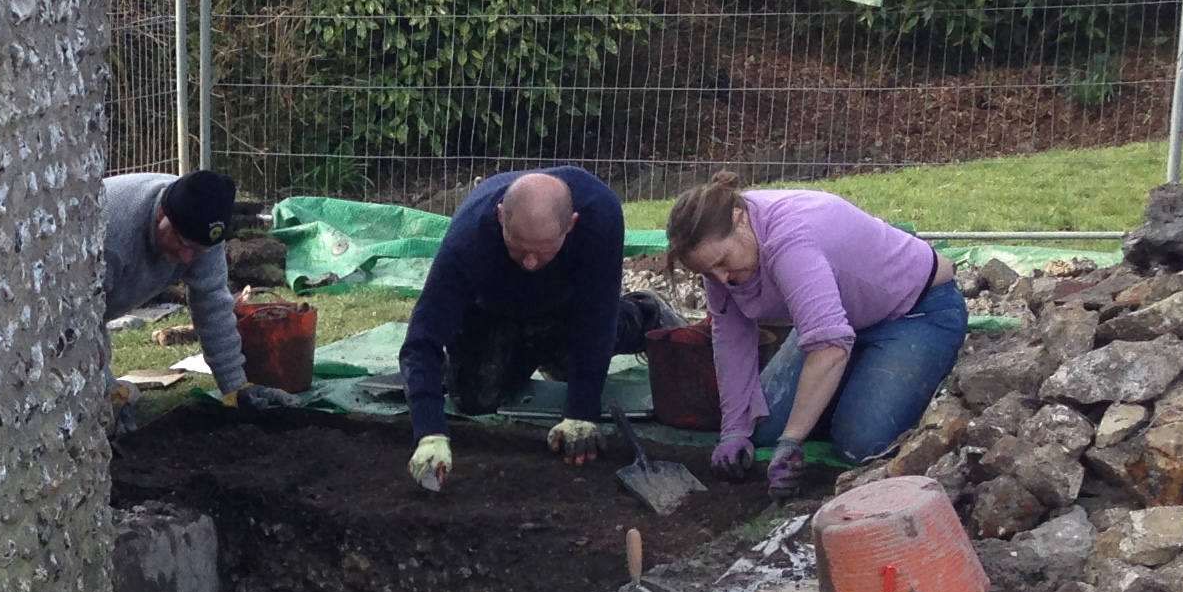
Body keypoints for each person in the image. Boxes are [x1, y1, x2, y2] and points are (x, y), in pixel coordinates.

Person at [663, 175, 968, 497]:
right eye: (707, 273)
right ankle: (850, 386)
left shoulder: (790, 240)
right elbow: (731, 338)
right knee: (761, 426)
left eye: (722, 263)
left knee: (862, 444)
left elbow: (829, 349)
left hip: (916, 313)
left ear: (740, 220)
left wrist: (792, 441)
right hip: (839, 320)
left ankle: (861, 390)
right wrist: (734, 430)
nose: (720, 278)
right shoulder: (721, 258)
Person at [397, 166, 663, 490]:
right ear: (500, 218)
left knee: (576, 362)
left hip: (565, 303)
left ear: (571, 225)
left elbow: (597, 316)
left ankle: (644, 312)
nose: (530, 263)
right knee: (474, 398)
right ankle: (532, 346)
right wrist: (429, 432)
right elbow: (422, 339)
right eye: (519, 247)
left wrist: (582, 411)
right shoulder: (468, 239)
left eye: (542, 250)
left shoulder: (599, 217)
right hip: (492, 308)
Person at [102, 168, 260, 415]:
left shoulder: (201, 231)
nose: (187, 257)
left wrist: (235, 388)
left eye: (197, 250)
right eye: (182, 244)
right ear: (162, 214)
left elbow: (213, 308)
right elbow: (75, 323)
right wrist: (105, 389)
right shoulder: (109, 236)